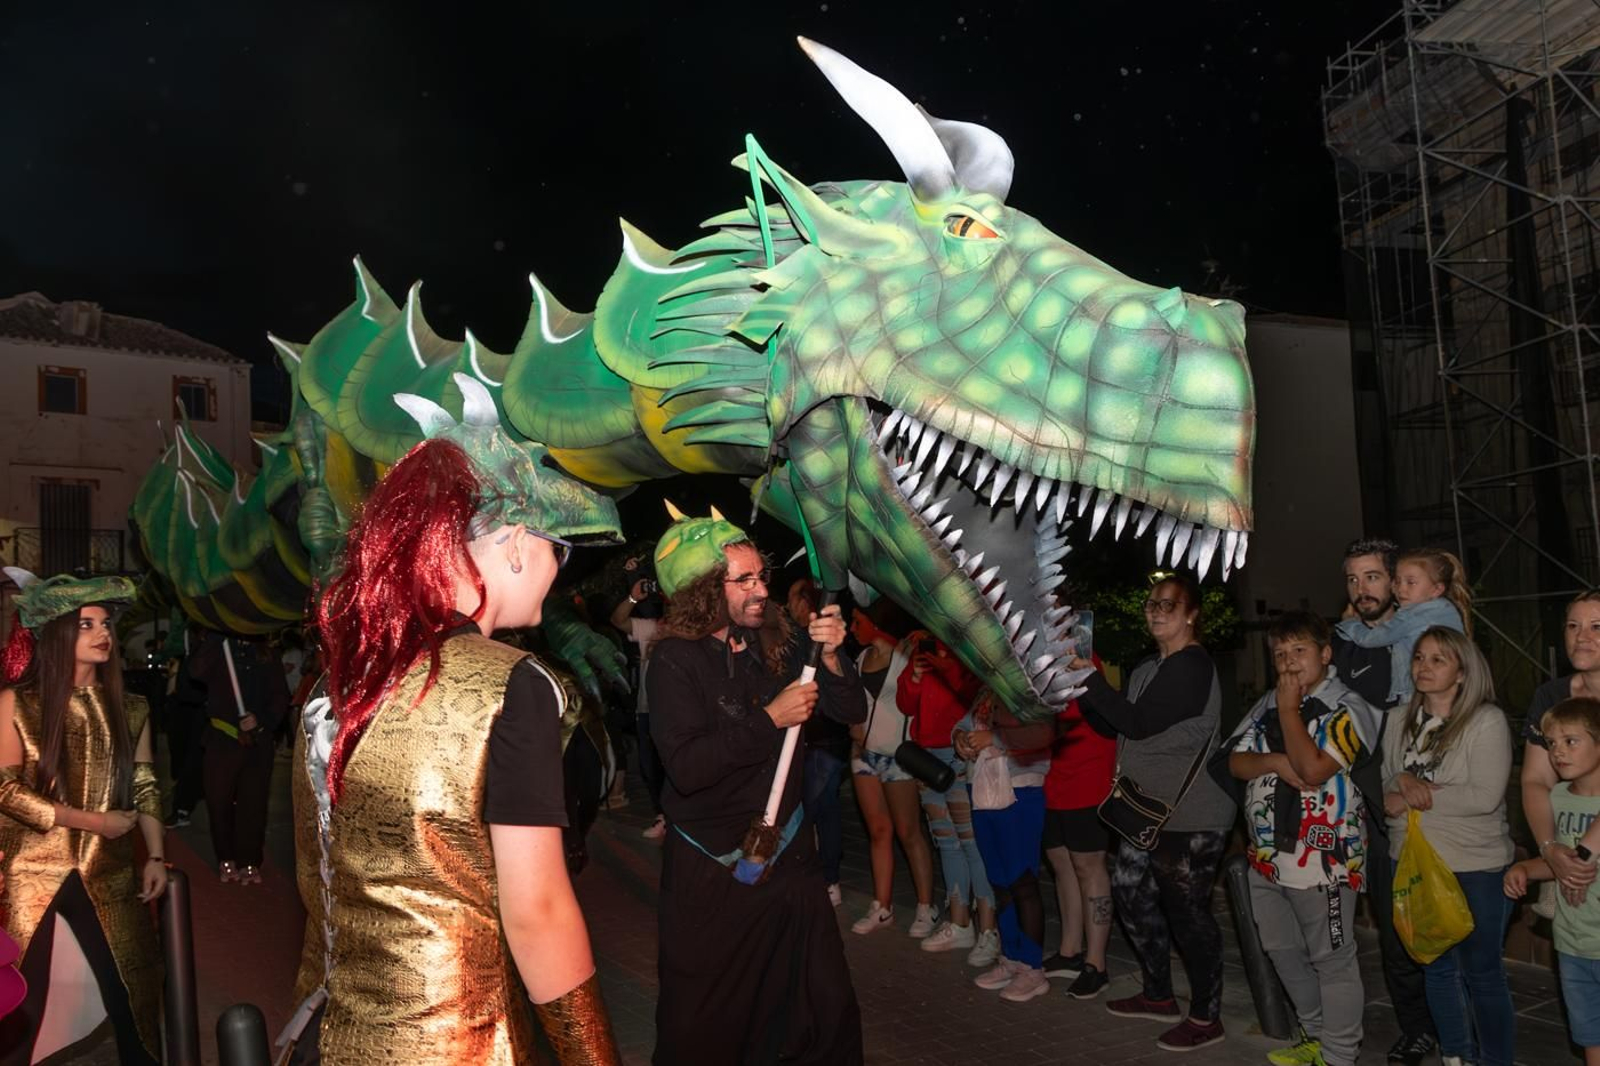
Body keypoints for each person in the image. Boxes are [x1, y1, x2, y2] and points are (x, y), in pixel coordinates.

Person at [281, 379, 623, 1065]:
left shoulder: (342, 681)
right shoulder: (511, 685)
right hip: (455, 1044)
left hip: (328, 1036)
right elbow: (538, 913)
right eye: (560, 549)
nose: (559, 571)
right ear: (518, 543)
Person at [646, 508, 865, 1066]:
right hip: (715, 875)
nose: (761, 590)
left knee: (821, 1007)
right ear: (702, 589)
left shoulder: (774, 641)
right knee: (714, 1023)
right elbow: (688, 768)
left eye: (761, 576)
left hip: (790, 863)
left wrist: (832, 657)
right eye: (743, 580)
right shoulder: (674, 660)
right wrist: (770, 719)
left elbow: (848, 710)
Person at [0, 569, 167, 1065]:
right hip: (32, 871)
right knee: (20, 995)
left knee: (133, 990)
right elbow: (5, 791)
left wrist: (156, 856)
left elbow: (145, 785)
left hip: (109, 870)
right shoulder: (16, 704)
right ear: (57, 635)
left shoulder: (131, 708)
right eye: (87, 625)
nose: (103, 635)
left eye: (107, 625)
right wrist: (95, 821)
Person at [1071, 572, 1237, 1053]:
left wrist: (1090, 679)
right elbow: (1114, 726)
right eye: (1152, 604)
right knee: (1130, 894)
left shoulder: (1192, 666)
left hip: (1191, 813)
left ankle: (1205, 1016)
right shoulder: (1149, 667)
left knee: (1188, 914)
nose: (1157, 611)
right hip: (1144, 810)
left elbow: (1140, 723)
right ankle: (1159, 994)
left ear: (1191, 615)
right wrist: (1077, 686)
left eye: (1169, 604)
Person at [1221, 611, 1375, 1066]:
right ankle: (1315, 1034)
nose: (1288, 662)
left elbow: (1313, 769)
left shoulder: (1349, 707)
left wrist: (1288, 710)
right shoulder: (1266, 703)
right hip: (1267, 858)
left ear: (1326, 654)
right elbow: (1235, 762)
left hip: (1325, 862)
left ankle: (1339, 1055)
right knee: (1281, 951)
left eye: (1299, 651)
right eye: (1279, 654)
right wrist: (1273, 762)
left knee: (1333, 960)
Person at [1382, 626, 1515, 1066]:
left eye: (1438, 659)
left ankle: (1494, 1059)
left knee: (1482, 973)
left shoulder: (1485, 720)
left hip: (1474, 864)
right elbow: (1384, 786)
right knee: (1436, 969)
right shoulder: (1397, 719)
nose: (1424, 666)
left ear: (1462, 671)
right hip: (1413, 860)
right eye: (1419, 657)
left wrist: (1415, 794)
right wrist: (1401, 779)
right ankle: (1455, 1056)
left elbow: (1484, 796)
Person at [1331, 537, 1438, 1065]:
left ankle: (1447, 1028)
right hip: (1362, 804)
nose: (1362, 589)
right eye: (1353, 579)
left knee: (1428, 921)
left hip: (1418, 800)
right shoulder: (1346, 642)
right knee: (1391, 929)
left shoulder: (1424, 641)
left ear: (1396, 582)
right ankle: (1417, 1027)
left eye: (1372, 577)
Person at [1505, 696, 1600, 1065]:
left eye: (1571, 741)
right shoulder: (1557, 798)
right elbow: (1559, 863)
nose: (1558, 752)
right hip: (1573, 941)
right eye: (1551, 743)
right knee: (1590, 1034)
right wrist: (1527, 870)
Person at [893, 633, 999, 963]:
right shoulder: (922, 651)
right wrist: (914, 676)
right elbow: (905, 705)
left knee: (971, 843)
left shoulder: (969, 648)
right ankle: (960, 922)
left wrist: (946, 666)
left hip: (959, 754)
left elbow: (972, 693)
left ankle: (989, 930)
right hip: (927, 759)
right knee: (947, 842)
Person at [957, 687, 1055, 1002]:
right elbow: (964, 724)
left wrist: (994, 738)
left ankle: (1032, 968)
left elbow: (1044, 732)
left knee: (1022, 880)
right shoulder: (987, 687)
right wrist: (960, 738)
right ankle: (1011, 957)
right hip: (984, 788)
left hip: (1020, 789)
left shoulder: (1030, 686)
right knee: (1000, 881)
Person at [847, 601, 938, 938]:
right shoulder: (860, 658)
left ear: (877, 622)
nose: (852, 628)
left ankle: (926, 907)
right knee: (879, 832)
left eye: (858, 621)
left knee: (908, 832)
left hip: (898, 757)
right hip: (863, 756)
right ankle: (881, 907)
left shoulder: (908, 655)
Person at [1040, 654, 1116, 999]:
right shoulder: (1038, 658)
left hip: (1088, 773)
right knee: (1061, 862)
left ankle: (1096, 964)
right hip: (1054, 774)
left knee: (1089, 866)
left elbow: (1071, 714)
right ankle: (1069, 950)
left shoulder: (1082, 658)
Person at [1520, 592, 1600, 911]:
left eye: (1596, 626)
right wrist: (1550, 848)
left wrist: (1582, 855)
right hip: (1572, 837)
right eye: (1572, 626)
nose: (1582, 636)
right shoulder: (1551, 696)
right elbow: (1536, 779)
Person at [192, 633, 291, 884]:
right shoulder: (217, 648)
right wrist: (215, 637)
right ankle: (225, 857)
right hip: (221, 738)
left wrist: (262, 720)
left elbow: (280, 695)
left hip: (257, 742)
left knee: (253, 803)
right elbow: (196, 672)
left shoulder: (267, 654)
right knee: (218, 801)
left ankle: (249, 860)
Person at [1335, 547, 1472, 706]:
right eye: (1398, 581)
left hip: (1417, 696)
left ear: (1437, 589)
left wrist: (1350, 623)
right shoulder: (1447, 609)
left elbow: (1371, 638)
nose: (1401, 589)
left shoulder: (1412, 616)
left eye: (1410, 582)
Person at [792, 578, 850, 906]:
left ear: (806, 603)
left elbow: (842, 696)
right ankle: (824, 877)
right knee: (819, 811)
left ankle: (828, 878)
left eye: (793, 599)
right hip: (816, 743)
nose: (788, 605)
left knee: (817, 811)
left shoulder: (820, 641)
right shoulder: (793, 638)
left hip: (823, 743)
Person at [609, 558, 667, 841]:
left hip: (674, 713)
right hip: (646, 711)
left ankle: (673, 818)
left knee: (672, 769)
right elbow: (618, 621)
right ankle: (662, 815)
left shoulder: (692, 632)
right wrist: (633, 596)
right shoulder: (653, 628)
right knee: (649, 768)